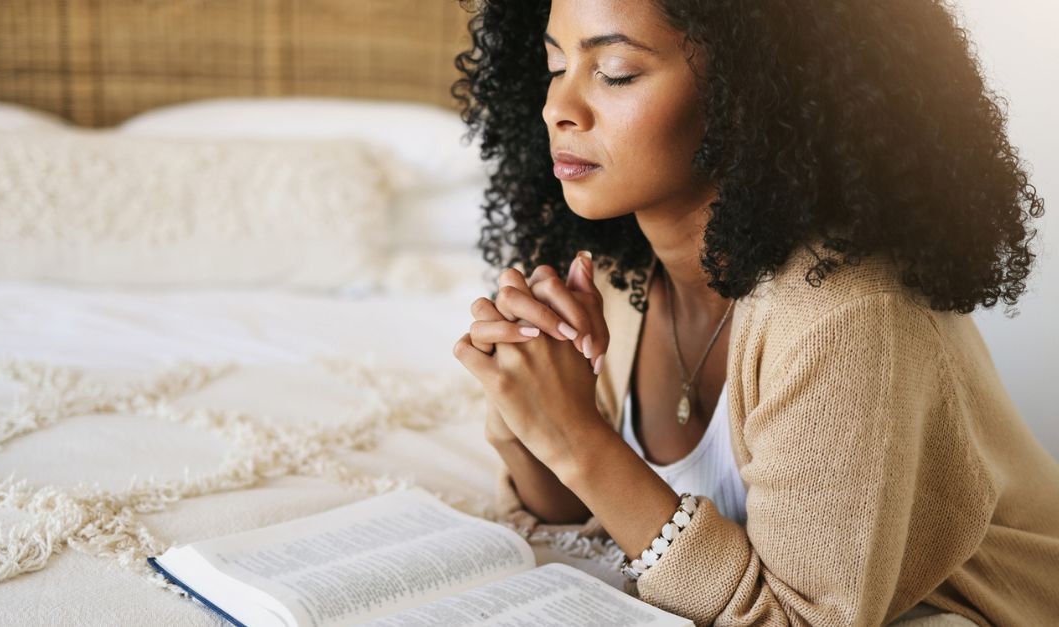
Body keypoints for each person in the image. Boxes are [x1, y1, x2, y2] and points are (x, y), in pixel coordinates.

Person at [449, 0, 1059, 625]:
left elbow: (799, 620)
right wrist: (530, 403)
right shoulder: (614, 274)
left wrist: (581, 441)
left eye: (615, 71)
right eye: (555, 64)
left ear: (749, 92)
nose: (559, 108)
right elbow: (579, 525)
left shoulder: (846, 312)